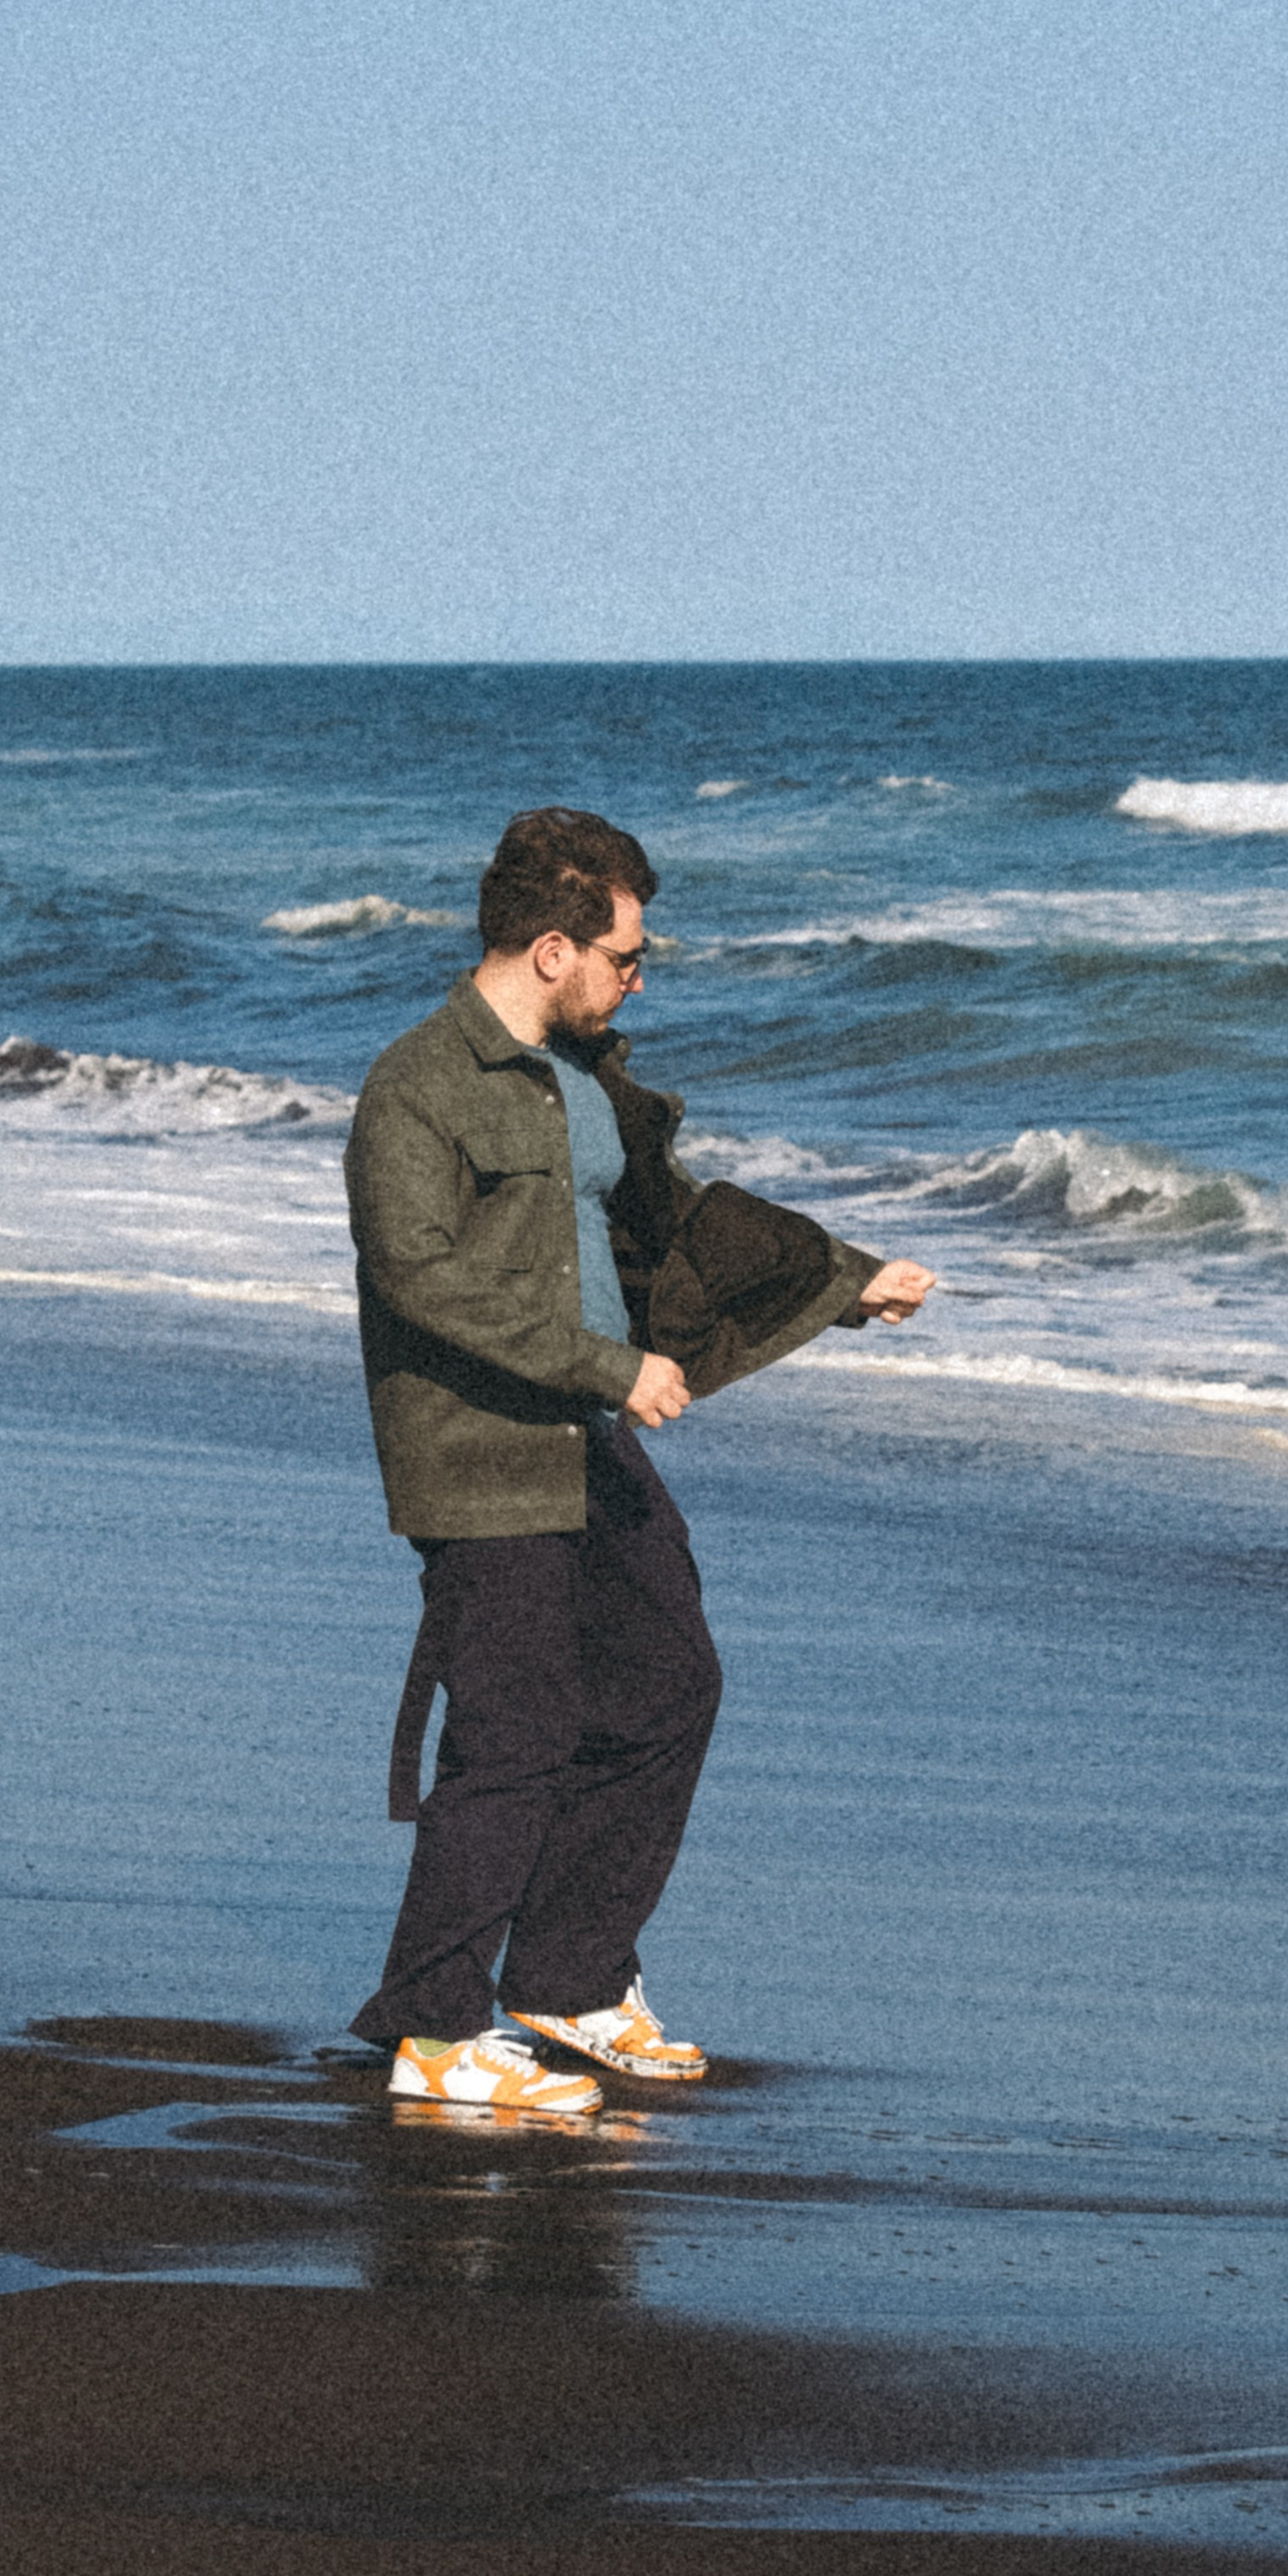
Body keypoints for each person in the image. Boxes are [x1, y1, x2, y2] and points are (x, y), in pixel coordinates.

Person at [342, 807, 935, 2117]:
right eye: (627, 955)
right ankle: (432, 2030)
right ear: (553, 949)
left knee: (669, 1685)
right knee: (512, 1737)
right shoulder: (416, 1087)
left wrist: (842, 1282)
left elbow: (679, 1225)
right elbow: (418, 1279)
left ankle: (568, 1980)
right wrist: (609, 1368)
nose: (638, 979)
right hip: (480, 1454)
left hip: (586, 1441)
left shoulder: (586, 1081)